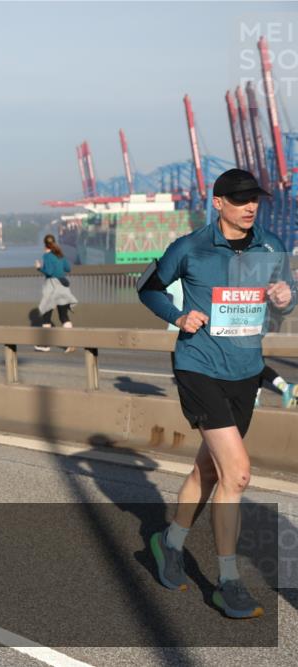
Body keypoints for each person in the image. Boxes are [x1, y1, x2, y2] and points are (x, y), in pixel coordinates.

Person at [138, 168, 296, 619]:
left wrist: (286, 296)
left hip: (245, 371)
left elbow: (286, 298)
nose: (250, 207)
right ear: (218, 202)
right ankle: (228, 582)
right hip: (199, 366)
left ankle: (168, 543)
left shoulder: (272, 246)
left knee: (210, 470)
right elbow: (148, 288)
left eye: (255, 199)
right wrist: (178, 316)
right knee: (238, 474)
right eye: (240, 199)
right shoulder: (191, 247)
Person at [34, 234, 78, 353]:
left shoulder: (47, 256)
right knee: (63, 316)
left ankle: (45, 345)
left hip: (52, 287)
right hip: (63, 287)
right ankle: (71, 343)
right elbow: (68, 269)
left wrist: (39, 268)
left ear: (45, 245)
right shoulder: (60, 254)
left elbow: (49, 271)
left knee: (46, 316)